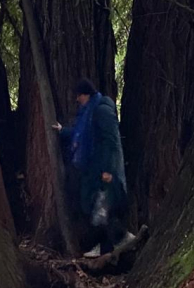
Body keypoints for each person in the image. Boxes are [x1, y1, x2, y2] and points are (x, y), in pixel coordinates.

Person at [53, 78, 133, 258]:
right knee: (94, 205)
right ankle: (111, 242)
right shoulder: (89, 112)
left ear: (86, 94)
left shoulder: (102, 110)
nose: (77, 99)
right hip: (93, 168)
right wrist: (62, 130)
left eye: (79, 95)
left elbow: (110, 141)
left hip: (103, 168)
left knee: (101, 207)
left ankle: (115, 241)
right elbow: (81, 134)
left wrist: (108, 169)